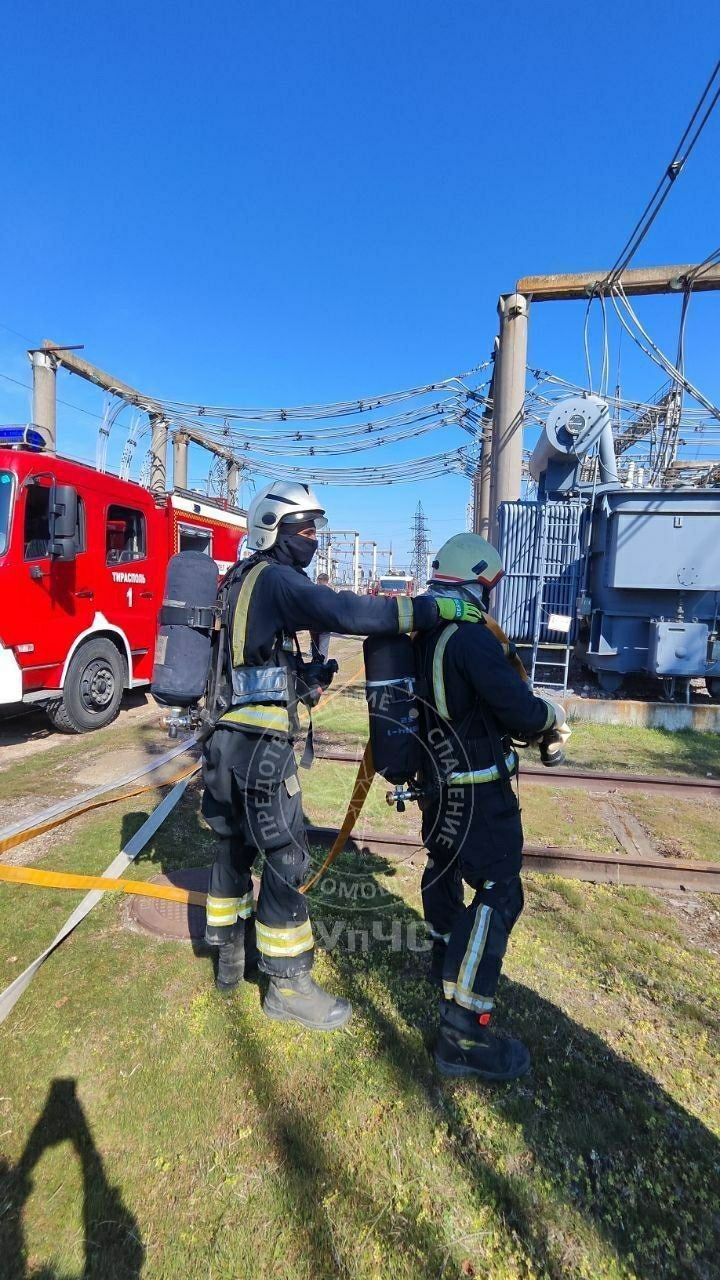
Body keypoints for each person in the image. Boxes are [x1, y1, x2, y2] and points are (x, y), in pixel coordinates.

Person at [201, 481, 482, 1031]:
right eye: (303, 530)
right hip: (260, 748)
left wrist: (304, 678)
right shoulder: (278, 579)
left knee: (233, 846)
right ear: (272, 531)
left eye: (315, 530)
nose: (311, 539)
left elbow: (248, 664)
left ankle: (230, 960)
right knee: (286, 858)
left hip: (223, 741)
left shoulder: (238, 581)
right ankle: (287, 986)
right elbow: (349, 612)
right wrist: (429, 609)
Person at [413, 532, 570, 1082]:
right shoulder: (472, 638)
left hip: (437, 790)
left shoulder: (424, 632)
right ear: (479, 582)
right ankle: (462, 1032)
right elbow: (518, 709)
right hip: (479, 793)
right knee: (500, 891)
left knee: (443, 870)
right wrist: (550, 717)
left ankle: (444, 963)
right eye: (491, 586)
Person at [310, 571, 332, 660]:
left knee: (315, 647)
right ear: (327, 581)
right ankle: (322, 667)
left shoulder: (312, 592)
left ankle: (315, 665)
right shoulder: (331, 593)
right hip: (325, 625)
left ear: (318, 580)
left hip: (314, 625)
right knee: (323, 649)